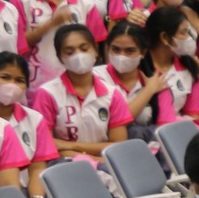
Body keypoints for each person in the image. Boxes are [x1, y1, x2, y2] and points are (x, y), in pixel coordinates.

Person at [0, 52, 57, 198]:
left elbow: (37, 167)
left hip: (26, 191)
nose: (11, 85)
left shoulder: (34, 119)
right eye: (5, 77)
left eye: (19, 80)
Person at [33, 25, 128, 159]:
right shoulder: (47, 93)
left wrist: (71, 146)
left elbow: (118, 145)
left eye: (84, 49)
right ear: (60, 58)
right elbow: (46, 145)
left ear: (95, 50)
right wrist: (94, 160)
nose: (78, 56)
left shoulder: (112, 94)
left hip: (105, 164)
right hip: (65, 164)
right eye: (69, 52)